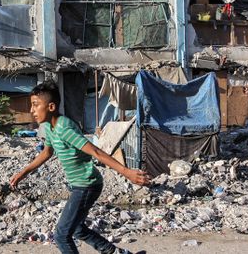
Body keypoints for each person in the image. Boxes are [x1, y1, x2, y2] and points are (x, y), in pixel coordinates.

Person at [10, 80, 150, 254]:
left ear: (51, 106)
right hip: (80, 185)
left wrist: (127, 172)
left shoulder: (64, 127)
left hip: (87, 185)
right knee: (77, 229)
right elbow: (47, 152)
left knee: (61, 235)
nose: (32, 110)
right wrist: (23, 173)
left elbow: (96, 151)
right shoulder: (48, 127)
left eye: (36, 105)